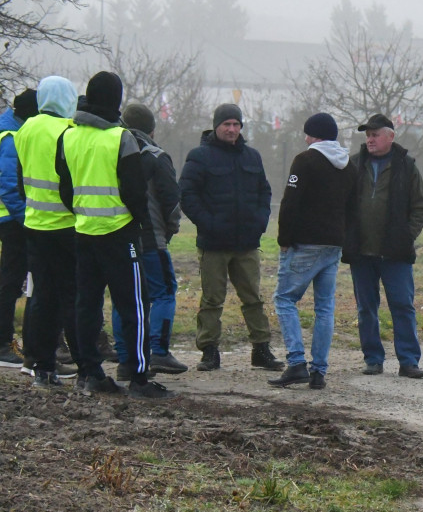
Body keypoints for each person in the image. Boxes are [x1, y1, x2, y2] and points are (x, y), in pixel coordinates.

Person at [55, 71, 174, 399]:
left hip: (83, 233)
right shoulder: (121, 138)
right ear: (116, 100)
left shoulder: (68, 137)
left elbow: (64, 188)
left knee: (87, 305)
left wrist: (83, 211)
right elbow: (136, 193)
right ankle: (138, 379)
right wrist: (135, 225)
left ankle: (91, 373)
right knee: (134, 305)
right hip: (120, 235)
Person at [179, 103, 284, 372]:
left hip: (247, 243)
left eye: (236, 124)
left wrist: (260, 223)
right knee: (212, 300)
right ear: (216, 126)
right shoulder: (199, 157)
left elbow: (264, 192)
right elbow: (187, 196)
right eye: (227, 124)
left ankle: (261, 349)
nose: (232, 129)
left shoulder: (252, 157)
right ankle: (209, 351)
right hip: (214, 244)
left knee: (253, 298)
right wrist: (209, 224)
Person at [269, 113, 355, 390]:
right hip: (334, 244)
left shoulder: (304, 161)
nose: (305, 139)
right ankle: (319, 371)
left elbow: (290, 201)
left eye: (307, 134)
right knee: (324, 307)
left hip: (305, 243)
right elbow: (352, 205)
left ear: (314, 135)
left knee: (284, 299)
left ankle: (296, 362)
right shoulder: (348, 165)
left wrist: (284, 237)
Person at [344, 113, 423, 379]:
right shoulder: (354, 165)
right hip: (361, 252)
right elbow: (342, 205)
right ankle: (373, 359)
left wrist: (405, 236)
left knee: (402, 306)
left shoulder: (406, 166)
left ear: (390, 137)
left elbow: (421, 208)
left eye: (375, 134)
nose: (370, 139)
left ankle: (408, 361)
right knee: (366, 308)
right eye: (367, 135)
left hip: (396, 254)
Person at [110, 103, 187, 378]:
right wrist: (169, 232)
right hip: (151, 239)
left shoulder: (111, 150)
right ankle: (159, 351)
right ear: (152, 129)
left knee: (124, 297)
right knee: (164, 291)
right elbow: (171, 201)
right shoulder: (156, 156)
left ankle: (124, 356)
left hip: (117, 236)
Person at [15, 76, 83, 389]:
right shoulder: (68, 132)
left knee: (42, 296)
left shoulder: (26, 128)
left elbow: (20, 179)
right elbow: (71, 183)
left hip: (34, 224)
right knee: (72, 297)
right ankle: (84, 365)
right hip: (66, 227)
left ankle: (41, 366)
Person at [0, 89, 36, 368]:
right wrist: (26, 220)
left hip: (9, 218)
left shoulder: (7, 129)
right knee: (11, 283)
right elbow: (10, 186)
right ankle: (4, 344)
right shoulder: (13, 138)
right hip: (12, 221)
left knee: (10, 281)